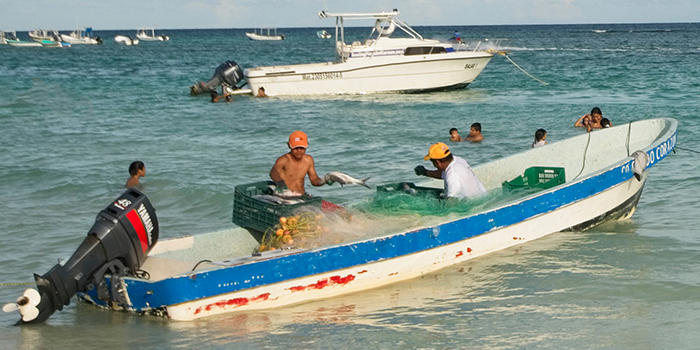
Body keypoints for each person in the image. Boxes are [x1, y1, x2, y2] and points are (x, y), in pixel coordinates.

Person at [414, 142, 486, 199]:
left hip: (472, 206)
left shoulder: (453, 175)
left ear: (437, 162)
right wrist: (425, 172)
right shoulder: (457, 160)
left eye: (432, 162)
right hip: (482, 196)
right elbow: (443, 173)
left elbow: (452, 202)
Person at [270, 131, 329, 195]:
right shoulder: (284, 160)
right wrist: (279, 181)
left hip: (301, 196)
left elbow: (314, 180)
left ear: (307, 145)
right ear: (289, 146)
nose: (299, 150)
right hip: (286, 196)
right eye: (295, 148)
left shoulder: (308, 160)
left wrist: (325, 180)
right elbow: (273, 172)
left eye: (301, 148)